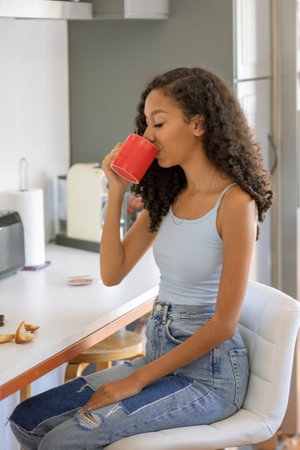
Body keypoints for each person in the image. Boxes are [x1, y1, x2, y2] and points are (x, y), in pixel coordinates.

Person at [10, 67, 273, 449]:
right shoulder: (170, 197)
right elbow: (113, 273)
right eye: (146, 124)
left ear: (198, 124)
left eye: (158, 123)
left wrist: (135, 380)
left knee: (62, 442)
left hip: (209, 378)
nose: (146, 135)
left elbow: (223, 325)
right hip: (158, 359)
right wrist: (116, 190)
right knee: (27, 421)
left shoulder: (235, 203)